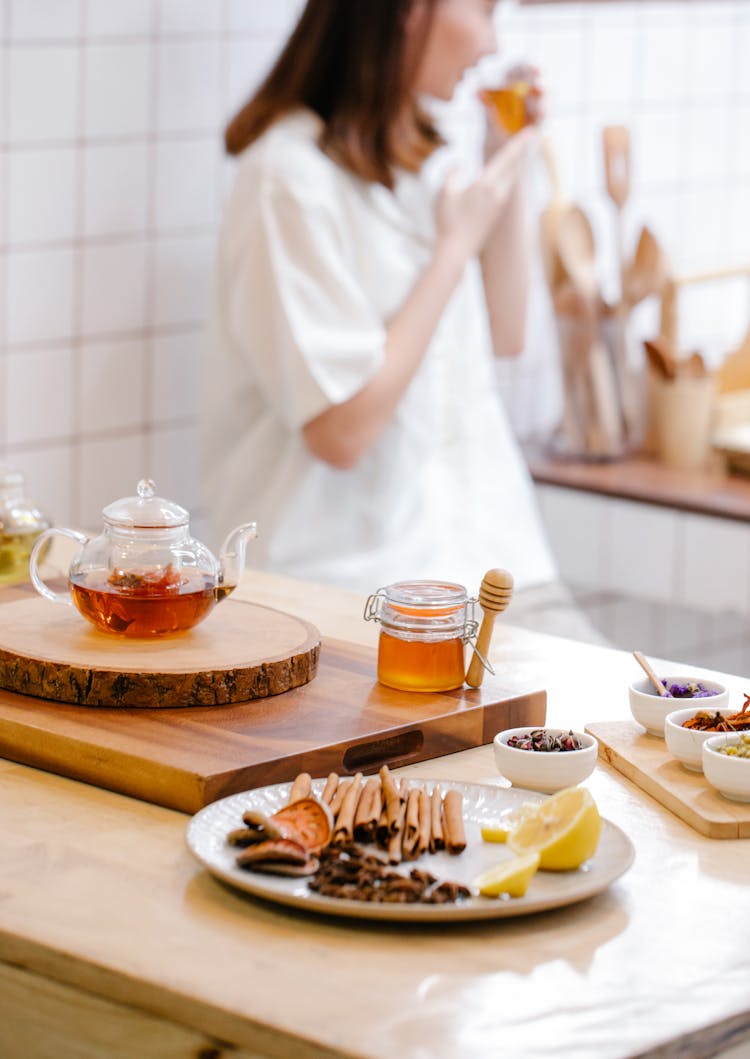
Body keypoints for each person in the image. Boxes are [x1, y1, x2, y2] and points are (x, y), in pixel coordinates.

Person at [201, 0, 605, 644]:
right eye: (483, 11)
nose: (490, 41)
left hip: (498, 568)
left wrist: (507, 157)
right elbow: (341, 432)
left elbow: (508, 332)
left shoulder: (421, 156)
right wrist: (452, 250)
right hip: (355, 592)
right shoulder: (287, 180)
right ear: (412, 11)